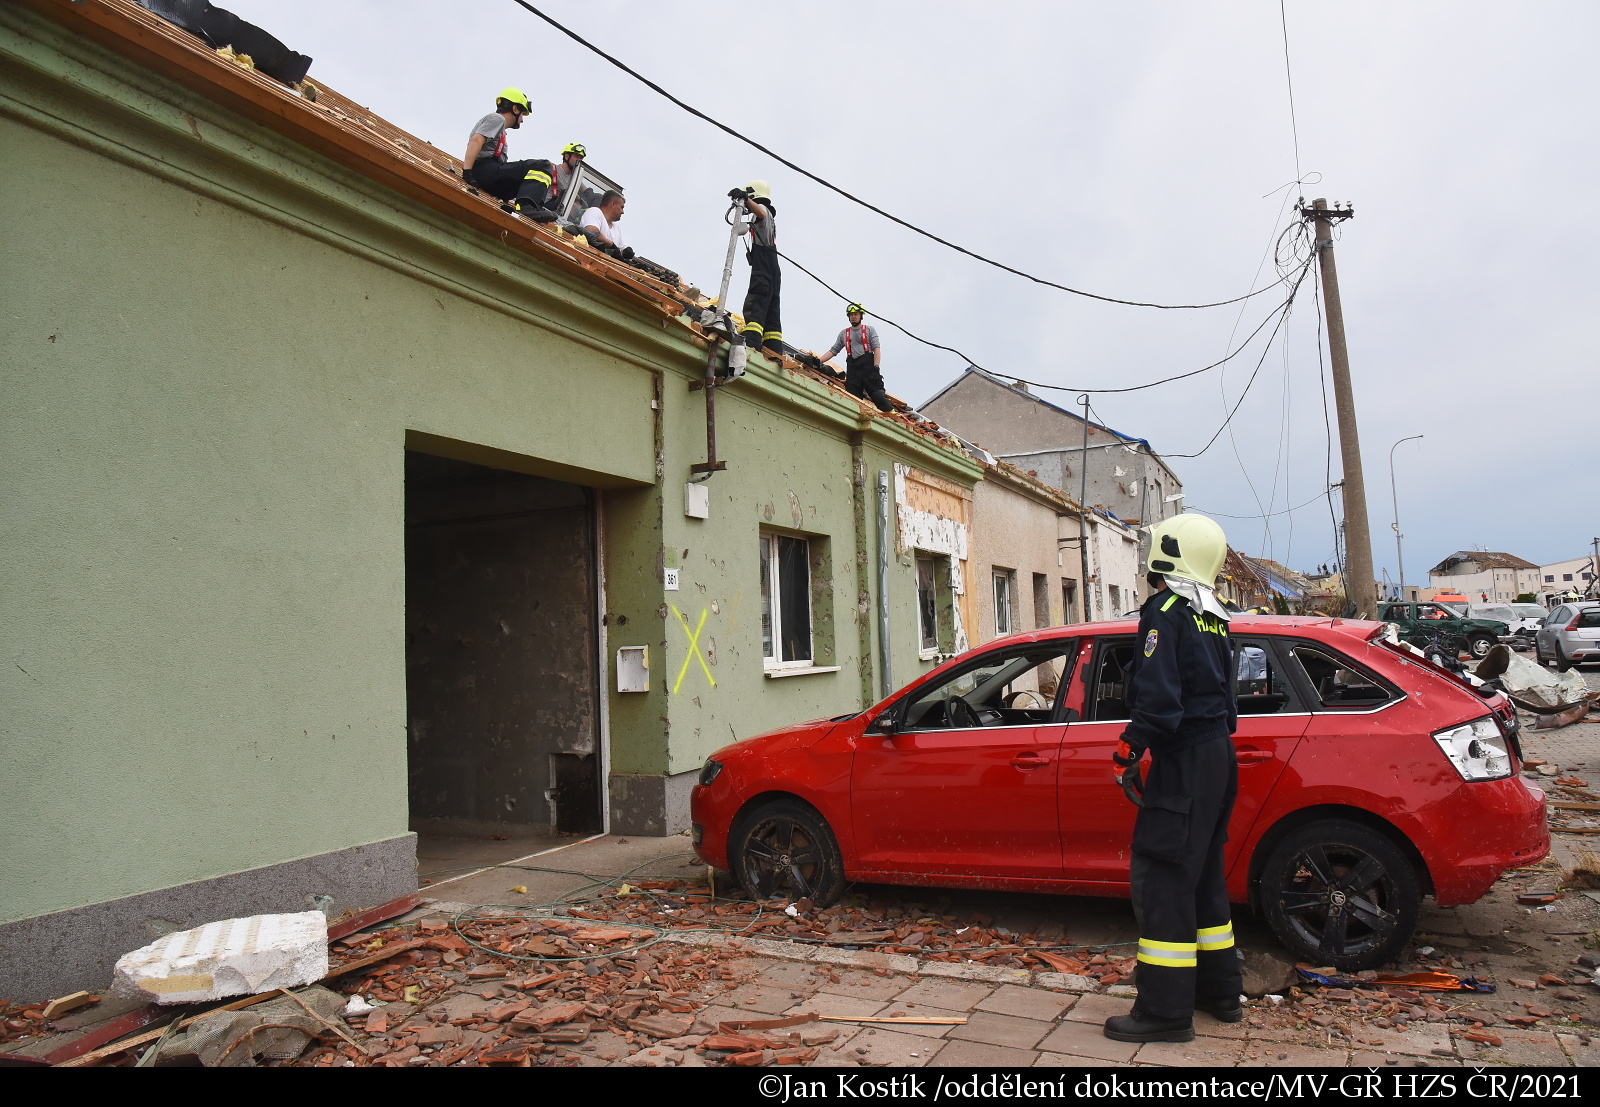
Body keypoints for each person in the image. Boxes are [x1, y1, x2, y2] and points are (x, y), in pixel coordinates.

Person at [1105, 513, 1242, 1044]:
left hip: (1184, 760)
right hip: (1217, 756)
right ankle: (1220, 992)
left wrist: (1129, 748)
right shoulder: (1215, 614)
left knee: (1163, 880)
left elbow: (1159, 697)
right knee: (1204, 875)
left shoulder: (1165, 611)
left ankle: (1164, 1012)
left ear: (1167, 552)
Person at [460, 87, 557, 221]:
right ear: (515, 109)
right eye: (522, 114)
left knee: (528, 181)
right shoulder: (497, 119)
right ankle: (525, 206)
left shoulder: (501, 129)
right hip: (484, 170)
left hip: (490, 176)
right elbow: (476, 140)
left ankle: (534, 205)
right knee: (543, 166)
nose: (522, 120)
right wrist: (467, 171)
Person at [731, 180, 782, 355]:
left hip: (764, 268)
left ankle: (752, 342)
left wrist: (745, 199)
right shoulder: (769, 218)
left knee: (756, 303)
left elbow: (759, 212)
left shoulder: (762, 209)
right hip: (773, 268)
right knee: (772, 312)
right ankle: (773, 351)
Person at [821, 303, 893, 412]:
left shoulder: (869, 330)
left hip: (868, 368)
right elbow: (833, 351)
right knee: (853, 399)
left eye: (856, 314)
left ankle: (893, 417)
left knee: (878, 395)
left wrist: (876, 367)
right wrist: (818, 361)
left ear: (861, 315)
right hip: (853, 370)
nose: (853, 316)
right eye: (851, 315)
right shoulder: (844, 334)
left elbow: (876, 349)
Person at [580, 191, 632, 260]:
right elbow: (592, 232)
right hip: (585, 259)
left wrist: (627, 251)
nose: (623, 212)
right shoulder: (594, 211)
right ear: (613, 204)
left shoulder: (617, 228)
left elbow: (622, 249)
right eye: (621, 207)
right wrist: (611, 245)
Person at [550, 142, 585, 215]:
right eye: (576, 156)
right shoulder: (551, 169)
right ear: (566, 156)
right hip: (545, 210)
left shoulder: (576, 178)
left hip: (561, 217)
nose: (579, 160)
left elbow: (587, 191)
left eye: (581, 158)